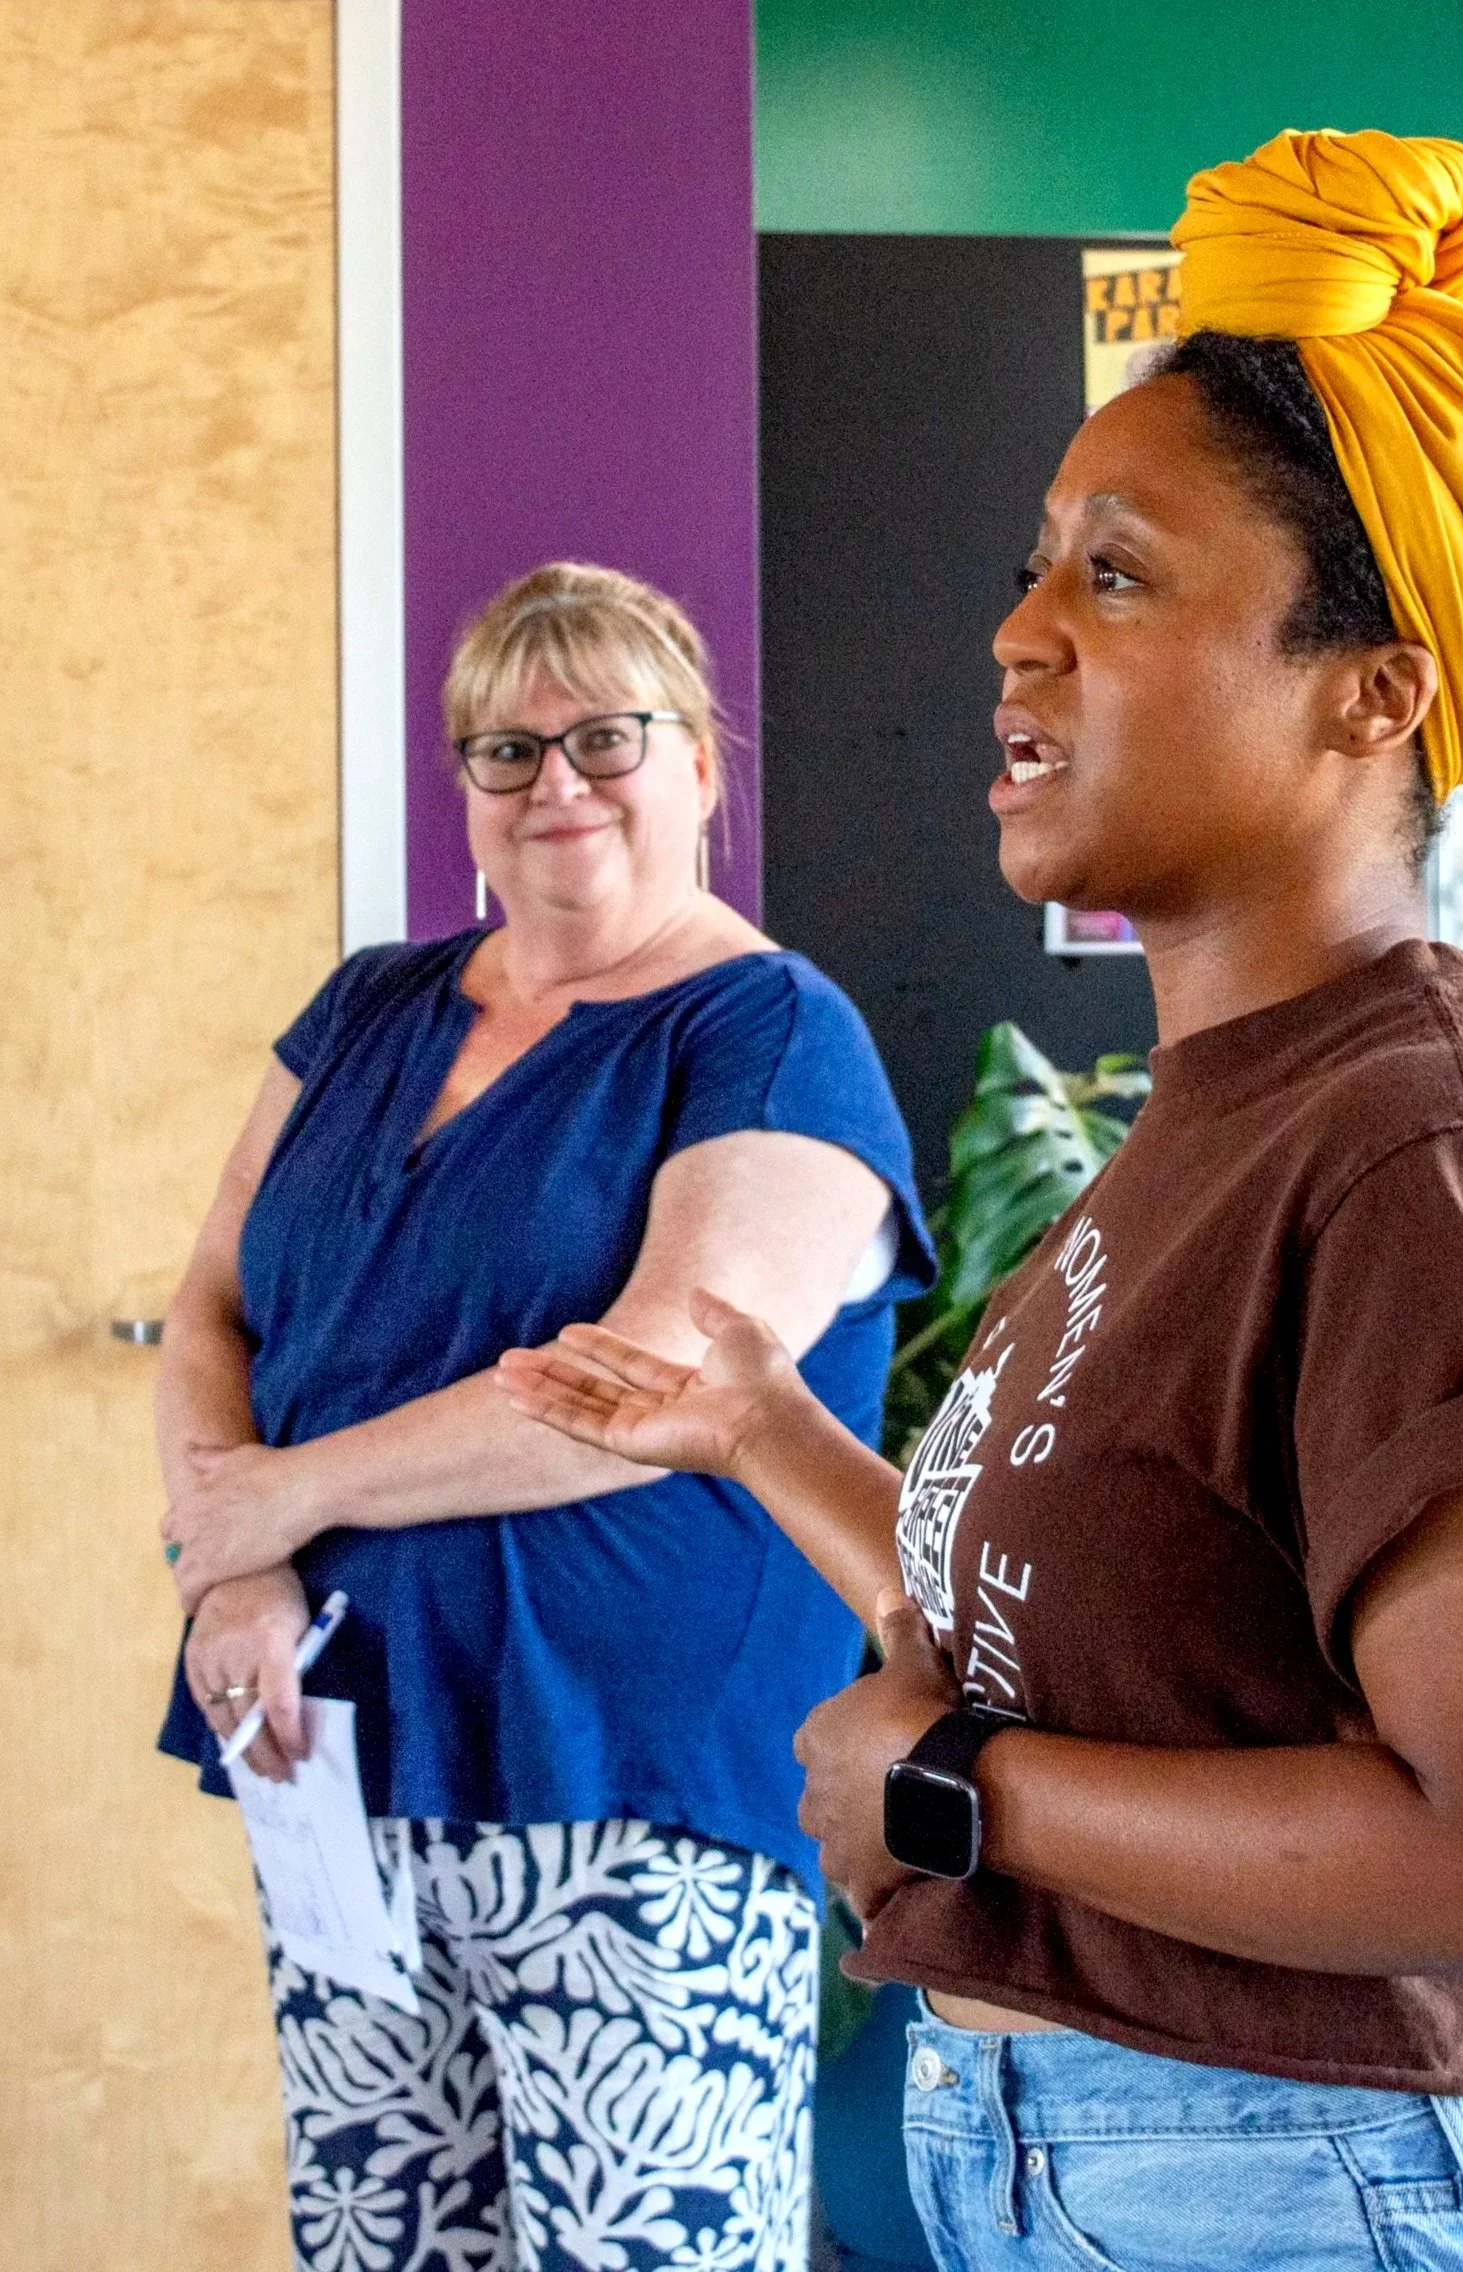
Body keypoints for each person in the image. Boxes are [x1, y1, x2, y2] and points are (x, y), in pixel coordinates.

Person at [503, 132, 1463, 2270]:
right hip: (1104, 2166)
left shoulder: (1421, 1156)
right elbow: (1099, 1638)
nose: (1017, 633)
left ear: (1370, 686)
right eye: (1040, 565)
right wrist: (757, 1424)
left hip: (1295, 2192)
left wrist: (960, 1797)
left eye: (1113, 576)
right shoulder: (1231, 1104)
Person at [155, 563, 932, 2272]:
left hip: (633, 1774)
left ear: (705, 767)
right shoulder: (369, 1009)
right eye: (504, 751)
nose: (554, 783)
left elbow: (648, 1392)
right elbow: (214, 1304)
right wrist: (235, 1573)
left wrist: (280, 1501)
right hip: (346, 1755)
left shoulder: (774, 1033)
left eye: (605, 737)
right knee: (382, 2250)